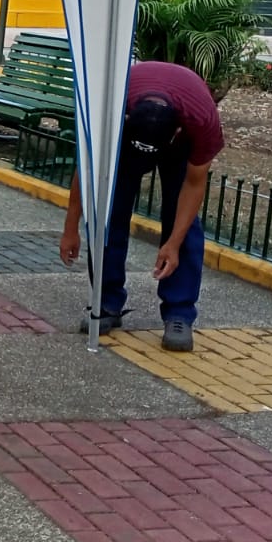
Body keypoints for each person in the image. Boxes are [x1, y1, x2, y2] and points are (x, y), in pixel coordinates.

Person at [60, 61, 222, 352]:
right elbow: (87, 169)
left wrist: (173, 243)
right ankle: (106, 302)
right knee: (108, 211)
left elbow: (194, 184)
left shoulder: (200, 119)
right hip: (126, 133)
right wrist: (71, 228)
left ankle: (179, 313)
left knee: (182, 223)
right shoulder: (110, 107)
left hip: (181, 137)